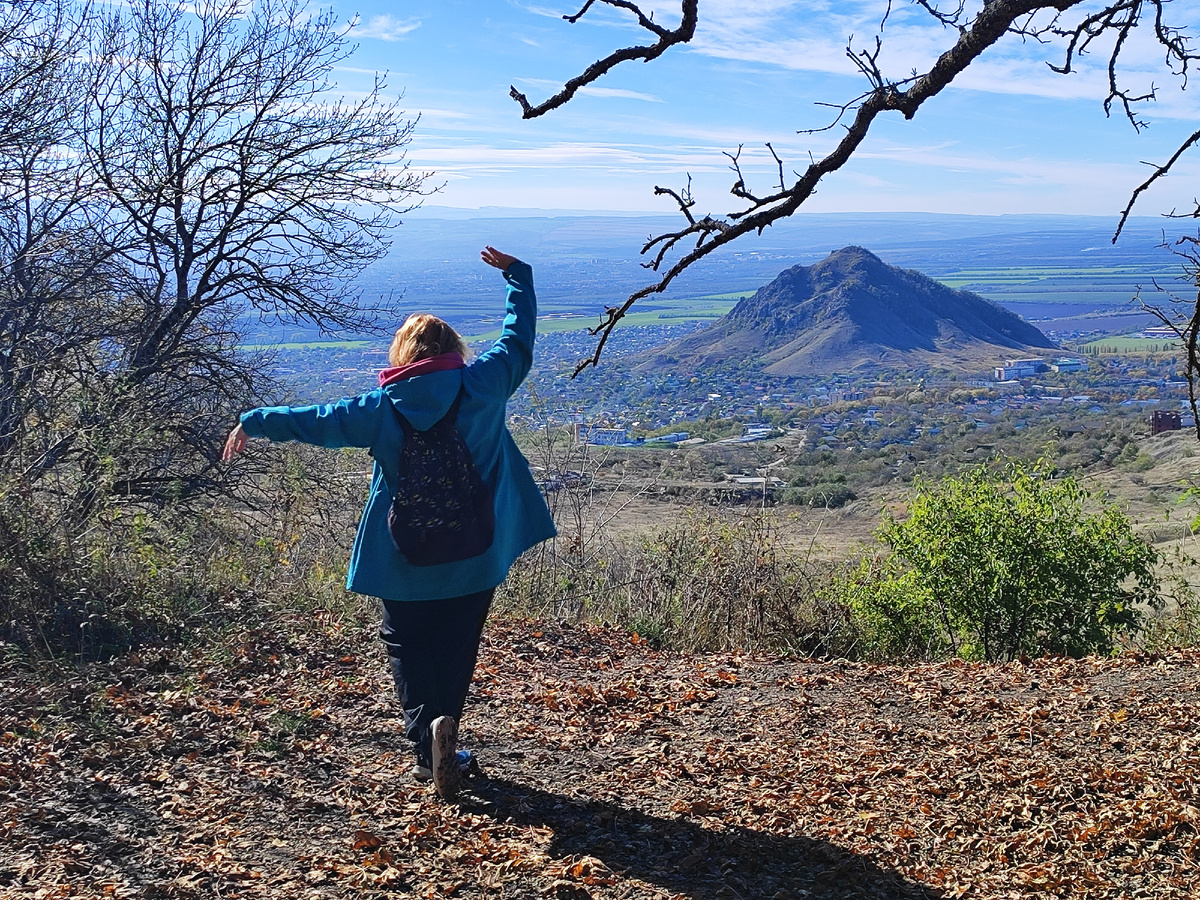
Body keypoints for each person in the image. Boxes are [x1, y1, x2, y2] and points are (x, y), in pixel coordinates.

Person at [222, 246, 556, 798]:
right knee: (456, 644)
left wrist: (253, 421)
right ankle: (446, 730)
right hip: (475, 552)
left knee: (407, 643)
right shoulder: (485, 385)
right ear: (455, 350)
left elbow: (316, 421)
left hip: (402, 558)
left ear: (402, 354)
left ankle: (426, 744)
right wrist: (518, 276)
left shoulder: (379, 407)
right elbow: (517, 339)